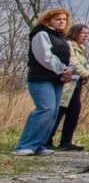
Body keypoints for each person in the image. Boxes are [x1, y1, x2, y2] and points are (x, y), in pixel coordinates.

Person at [13, 8, 73, 157]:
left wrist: (70, 69)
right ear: (48, 21)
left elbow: (69, 58)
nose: (62, 22)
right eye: (58, 19)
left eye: (64, 19)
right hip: (40, 79)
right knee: (45, 109)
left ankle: (39, 144)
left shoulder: (61, 37)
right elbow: (45, 57)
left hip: (56, 80)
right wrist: (62, 69)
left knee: (53, 113)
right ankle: (25, 145)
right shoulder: (41, 34)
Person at [47, 23, 89, 151]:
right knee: (60, 111)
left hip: (76, 85)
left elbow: (85, 64)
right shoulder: (69, 45)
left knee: (74, 111)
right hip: (67, 84)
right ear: (75, 33)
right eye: (83, 33)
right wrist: (87, 74)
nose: (85, 36)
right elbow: (75, 64)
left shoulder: (81, 48)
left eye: (87, 33)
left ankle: (66, 141)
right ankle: (47, 140)